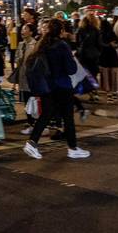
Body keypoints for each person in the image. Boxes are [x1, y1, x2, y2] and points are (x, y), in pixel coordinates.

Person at [22, 19, 90, 160]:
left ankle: (32, 142)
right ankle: (73, 148)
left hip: (48, 87)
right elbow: (71, 69)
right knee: (68, 118)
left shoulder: (42, 45)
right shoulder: (62, 45)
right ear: (60, 31)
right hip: (63, 86)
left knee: (45, 115)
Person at [12, 23, 39, 135]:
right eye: (22, 29)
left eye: (25, 29)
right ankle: (30, 123)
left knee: (33, 101)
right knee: (26, 101)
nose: (22, 31)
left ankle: (34, 124)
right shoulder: (21, 44)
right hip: (23, 77)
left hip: (32, 78)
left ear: (31, 32)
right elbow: (17, 59)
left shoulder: (35, 45)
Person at [75, 13, 104, 102]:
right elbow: (99, 44)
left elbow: (77, 43)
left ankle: (88, 91)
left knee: (86, 74)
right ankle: (94, 92)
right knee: (94, 74)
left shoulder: (80, 30)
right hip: (93, 55)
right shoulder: (96, 30)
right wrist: (98, 52)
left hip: (83, 55)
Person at [98, 15, 118, 104]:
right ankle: (114, 93)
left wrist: (107, 45)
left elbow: (100, 44)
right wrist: (113, 45)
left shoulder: (100, 34)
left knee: (106, 76)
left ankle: (109, 96)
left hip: (104, 57)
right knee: (113, 75)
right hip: (113, 56)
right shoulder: (112, 33)